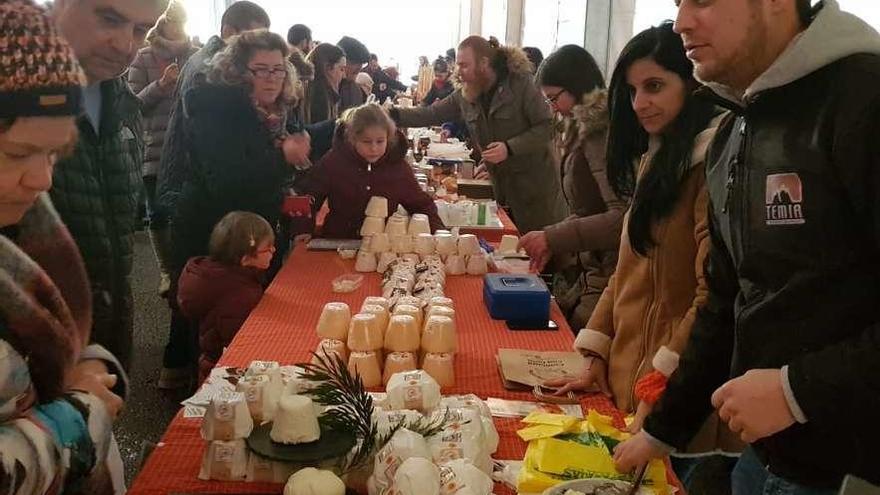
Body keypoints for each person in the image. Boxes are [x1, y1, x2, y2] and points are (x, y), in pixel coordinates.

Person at [613, 1, 880, 493]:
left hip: (849, 469)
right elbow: (724, 298)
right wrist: (661, 430)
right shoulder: (735, 131)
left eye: (704, 0)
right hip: (764, 458)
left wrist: (796, 390)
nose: (681, 22)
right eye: (677, 4)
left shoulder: (863, 99)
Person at [545, 23, 744, 491]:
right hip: (632, 389)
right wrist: (595, 348)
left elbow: (712, 295)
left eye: (655, 86)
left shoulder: (712, 167)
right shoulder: (658, 159)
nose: (639, 104)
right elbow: (627, 269)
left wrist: (664, 382)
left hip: (686, 409)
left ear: (692, 83)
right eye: (632, 91)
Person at [0, 3, 127, 492]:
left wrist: (89, 359)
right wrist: (76, 416)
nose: (43, 179)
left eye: (55, 151)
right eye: (18, 153)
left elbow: (52, 323)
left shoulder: (28, 225)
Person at [167, 30, 311, 387]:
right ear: (237, 71)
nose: (272, 78)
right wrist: (282, 157)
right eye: (260, 69)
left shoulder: (274, 112)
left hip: (251, 233)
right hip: (215, 235)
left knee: (243, 323)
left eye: (278, 69)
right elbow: (227, 181)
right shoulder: (215, 108)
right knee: (213, 332)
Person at [154, 0, 272, 390]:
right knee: (197, 281)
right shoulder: (209, 74)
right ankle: (183, 375)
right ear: (228, 32)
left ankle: (178, 367)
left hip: (192, 185)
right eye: (249, 40)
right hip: (190, 187)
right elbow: (217, 154)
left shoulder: (218, 70)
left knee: (196, 280)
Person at [50, 0, 168, 372]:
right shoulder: (15, 93)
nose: (125, 44)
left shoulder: (122, 101)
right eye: (109, 18)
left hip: (108, 326)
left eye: (141, 30)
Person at [391, 36, 566, 234]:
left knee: (541, 254)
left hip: (535, 193)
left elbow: (548, 126)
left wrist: (509, 148)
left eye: (464, 65)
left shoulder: (522, 85)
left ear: (484, 63)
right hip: (501, 190)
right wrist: (392, 115)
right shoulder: (466, 94)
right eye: (458, 65)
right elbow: (433, 113)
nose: (459, 72)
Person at [517, 45, 625, 331]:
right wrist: (552, 238)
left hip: (607, 273)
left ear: (577, 86)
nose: (552, 108)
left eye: (554, 98)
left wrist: (554, 237)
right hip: (591, 267)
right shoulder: (580, 127)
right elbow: (587, 208)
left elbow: (623, 217)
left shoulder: (599, 132)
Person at [156, 0, 270, 217]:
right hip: (193, 193)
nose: (260, 48)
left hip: (196, 187)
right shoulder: (209, 70)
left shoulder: (214, 62)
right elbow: (213, 147)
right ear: (229, 32)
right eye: (254, 38)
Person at [127, 0, 197, 298]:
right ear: (162, 22)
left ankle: (188, 269)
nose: (179, 27)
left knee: (187, 212)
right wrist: (162, 84)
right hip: (155, 148)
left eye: (183, 22)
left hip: (190, 147)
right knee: (157, 214)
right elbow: (134, 104)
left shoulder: (196, 56)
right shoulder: (142, 57)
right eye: (173, 21)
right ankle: (167, 271)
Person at [302, 103, 445, 239]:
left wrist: (440, 234)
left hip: (381, 245)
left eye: (380, 141)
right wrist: (301, 230)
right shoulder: (334, 161)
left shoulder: (397, 167)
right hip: (337, 240)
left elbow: (421, 205)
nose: (374, 148)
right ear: (353, 139)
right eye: (366, 142)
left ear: (388, 139)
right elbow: (309, 197)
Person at [178, 212, 275, 383]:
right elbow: (242, 344)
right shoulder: (240, 294)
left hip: (209, 361)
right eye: (269, 248)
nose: (274, 250)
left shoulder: (218, 278)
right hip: (225, 374)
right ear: (246, 259)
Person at [304, 42, 346, 125]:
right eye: (341, 69)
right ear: (327, 67)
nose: (344, 75)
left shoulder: (312, 90)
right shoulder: (320, 97)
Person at [337, 36, 371, 111]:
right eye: (355, 63)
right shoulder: (327, 88)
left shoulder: (354, 89)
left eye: (362, 64)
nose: (359, 68)